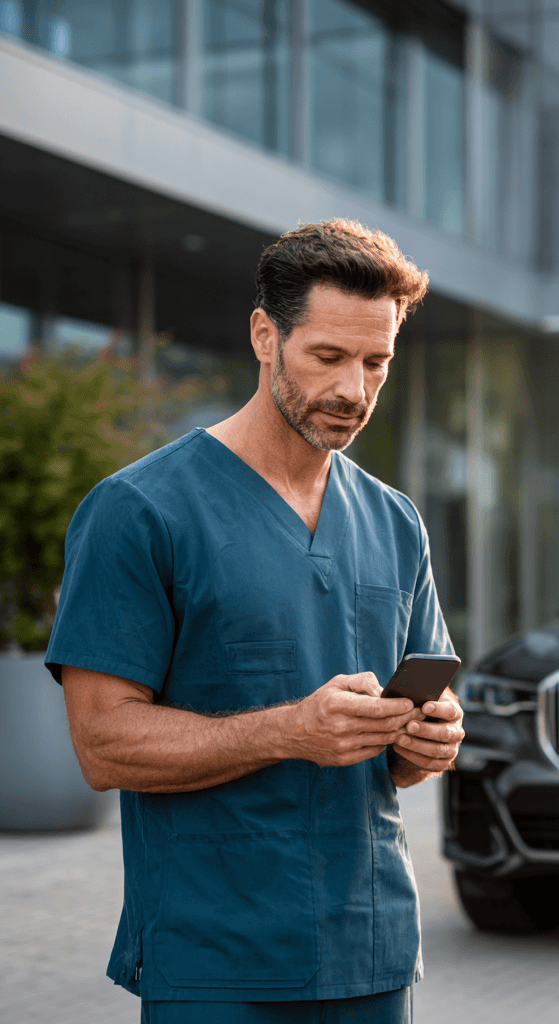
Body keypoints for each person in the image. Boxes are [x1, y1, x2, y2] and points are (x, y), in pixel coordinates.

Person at [45, 219, 465, 1024]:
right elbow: (101, 744)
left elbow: (407, 750)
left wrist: (428, 742)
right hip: (215, 963)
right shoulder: (139, 511)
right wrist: (289, 731)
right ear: (265, 336)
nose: (355, 391)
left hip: (373, 952)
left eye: (376, 362)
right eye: (328, 356)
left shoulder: (395, 521)